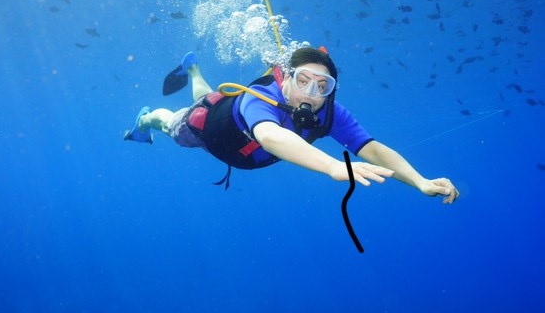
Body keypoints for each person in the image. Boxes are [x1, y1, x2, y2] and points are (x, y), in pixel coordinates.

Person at [124, 46, 459, 202]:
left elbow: (371, 148)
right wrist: (332, 167)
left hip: (224, 125)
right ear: (285, 78)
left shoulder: (329, 112)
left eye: (322, 86)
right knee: (172, 124)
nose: (311, 94)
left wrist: (420, 181)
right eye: (303, 81)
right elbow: (270, 136)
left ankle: (194, 70)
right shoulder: (261, 96)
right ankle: (144, 120)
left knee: (205, 96)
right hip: (207, 129)